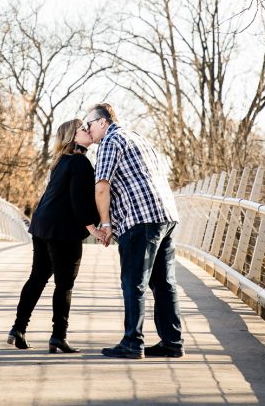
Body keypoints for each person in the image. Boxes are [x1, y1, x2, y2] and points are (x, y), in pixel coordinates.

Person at [84, 103, 185, 359]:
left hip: (141, 219)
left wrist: (106, 224)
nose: (88, 130)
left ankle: (132, 343)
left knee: (133, 282)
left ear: (103, 122)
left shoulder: (110, 141)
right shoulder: (138, 138)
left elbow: (102, 186)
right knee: (164, 283)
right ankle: (172, 342)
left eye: (89, 124)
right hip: (166, 215)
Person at [8, 119, 100, 353]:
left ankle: (18, 329)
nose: (87, 131)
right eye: (82, 129)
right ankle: (58, 336)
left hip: (42, 226)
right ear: (72, 137)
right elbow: (79, 201)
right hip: (62, 230)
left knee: (37, 278)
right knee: (64, 283)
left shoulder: (60, 161)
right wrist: (93, 229)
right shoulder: (80, 162)